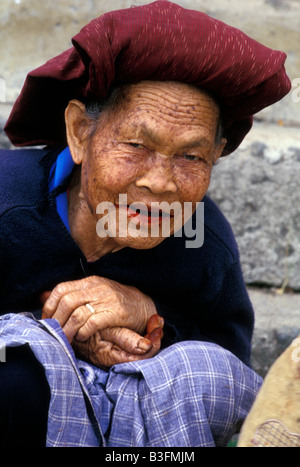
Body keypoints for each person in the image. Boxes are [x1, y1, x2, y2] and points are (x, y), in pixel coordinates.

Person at [0, 1, 291, 447]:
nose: (161, 183)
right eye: (136, 144)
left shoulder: (203, 243)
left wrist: (151, 319)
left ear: (216, 156)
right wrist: (55, 324)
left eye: (190, 156)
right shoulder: (7, 202)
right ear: (80, 132)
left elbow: (226, 360)